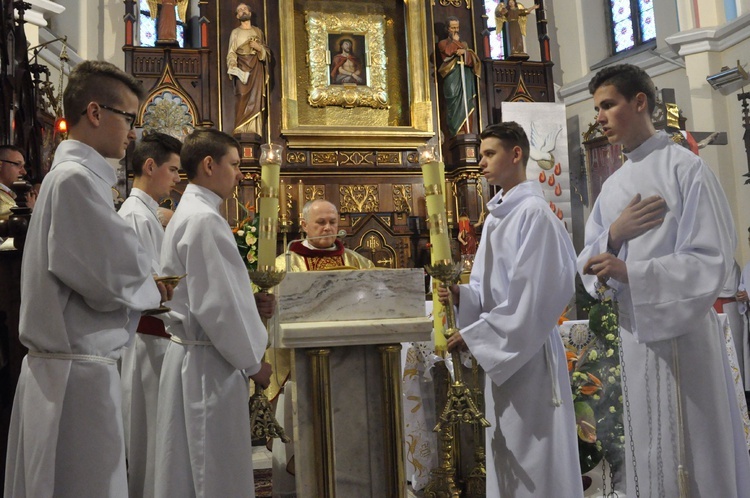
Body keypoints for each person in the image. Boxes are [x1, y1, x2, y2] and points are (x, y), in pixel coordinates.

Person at [579, 63, 750, 497]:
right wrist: (614, 236)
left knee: (693, 449)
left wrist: (632, 272)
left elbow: (712, 260)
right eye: (597, 107)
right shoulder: (613, 186)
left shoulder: (686, 169)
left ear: (640, 103)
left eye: (608, 104)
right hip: (637, 340)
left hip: (686, 341)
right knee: (647, 450)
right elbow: (587, 262)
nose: (599, 116)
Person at [3, 60, 171, 498]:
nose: (132, 133)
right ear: (95, 113)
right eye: (129, 118)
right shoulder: (75, 180)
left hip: (73, 373)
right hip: (74, 382)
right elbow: (113, 273)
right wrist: (153, 285)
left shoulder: (78, 180)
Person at [439, 122, 582, 497]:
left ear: (515, 154)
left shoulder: (533, 214)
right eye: (481, 155)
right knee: (508, 450)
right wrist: (463, 297)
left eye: (489, 154)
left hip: (528, 352)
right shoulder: (499, 216)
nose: (480, 163)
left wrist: (476, 335)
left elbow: (537, 295)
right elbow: (498, 288)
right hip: (506, 354)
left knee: (536, 455)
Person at [154, 128, 273, 498]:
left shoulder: (191, 212)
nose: (240, 174)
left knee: (188, 472)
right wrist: (254, 363)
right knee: (213, 473)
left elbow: (202, 293)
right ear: (209, 164)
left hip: (195, 356)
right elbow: (217, 308)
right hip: (209, 365)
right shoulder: (204, 220)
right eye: (235, 164)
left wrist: (247, 304)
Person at [270, 198, 374, 496]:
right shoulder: (284, 264)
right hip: (301, 364)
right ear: (303, 225)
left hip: (351, 362)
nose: (328, 227)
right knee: (306, 434)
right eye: (321, 222)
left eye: (333, 221)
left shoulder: (358, 262)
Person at [117, 132, 181, 498]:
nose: (176, 177)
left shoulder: (144, 213)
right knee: (150, 438)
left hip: (151, 336)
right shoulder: (137, 217)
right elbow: (155, 287)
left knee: (154, 436)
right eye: (172, 170)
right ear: (150, 166)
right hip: (148, 337)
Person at [226, 3, 269, 136]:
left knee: (255, 97)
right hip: (242, 68)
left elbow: (266, 52)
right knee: (242, 95)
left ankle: (254, 128)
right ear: (237, 16)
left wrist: (258, 47)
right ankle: (241, 127)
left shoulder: (257, 31)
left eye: (245, 9)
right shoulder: (235, 32)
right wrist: (232, 63)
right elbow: (231, 52)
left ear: (250, 12)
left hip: (256, 67)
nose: (243, 11)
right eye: (240, 10)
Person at [437, 17, 481, 137]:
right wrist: (455, 42)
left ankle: (467, 130)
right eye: (453, 28)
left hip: (465, 77)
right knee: (454, 101)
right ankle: (456, 130)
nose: (455, 30)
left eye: (457, 27)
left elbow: (473, 61)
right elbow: (447, 53)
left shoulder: (465, 44)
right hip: (452, 76)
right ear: (447, 29)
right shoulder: (443, 43)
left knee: (466, 101)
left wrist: (465, 53)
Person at [0, 145, 36, 221]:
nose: (24, 172)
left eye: (23, 166)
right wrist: (31, 209)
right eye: (17, 164)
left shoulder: (14, 194)